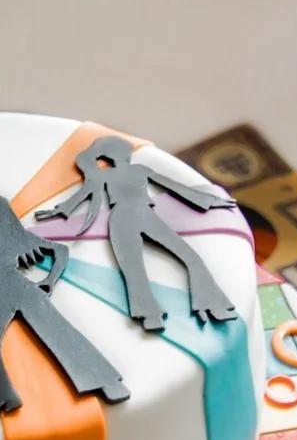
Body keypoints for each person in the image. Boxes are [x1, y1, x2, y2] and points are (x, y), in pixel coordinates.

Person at [0, 183, 130, 419]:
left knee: (55, 334)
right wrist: (49, 279)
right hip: (6, 295)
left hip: (14, 292)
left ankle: (107, 383)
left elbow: (59, 250)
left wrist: (50, 281)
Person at [36, 136, 238, 331]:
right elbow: (82, 196)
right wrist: (58, 211)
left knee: (141, 269)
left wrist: (209, 201)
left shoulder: (120, 173)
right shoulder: (116, 174)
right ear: (121, 154)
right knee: (154, 265)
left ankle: (181, 310)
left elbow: (173, 186)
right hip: (135, 215)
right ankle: (171, 313)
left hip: (130, 216)